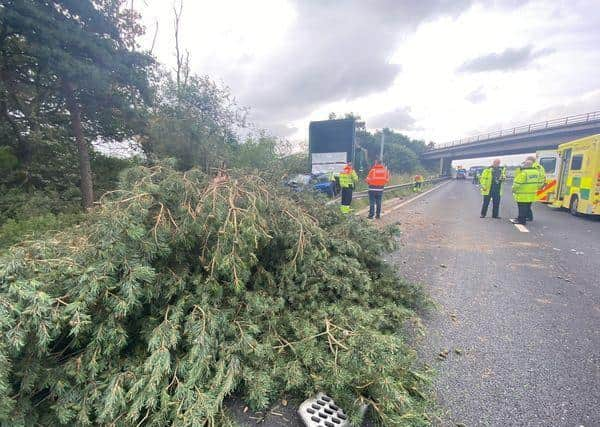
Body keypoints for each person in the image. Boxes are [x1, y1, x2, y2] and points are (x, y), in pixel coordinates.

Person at [511, 158, 543, 225]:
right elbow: (540, 183)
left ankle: (521, 221)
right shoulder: (537, 172)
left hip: (523, 194)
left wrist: (513, 189)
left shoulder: (524, 173)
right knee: (527, 207)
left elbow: (517, 183)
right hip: (532, 193)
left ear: (525, 165)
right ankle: (524, 218)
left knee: (522, 207)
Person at [526, 155, 546, 221]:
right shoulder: (540, 167)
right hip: (535, 186)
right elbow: (543, 177)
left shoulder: (532, 166)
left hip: (530, 186)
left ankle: (528, 217)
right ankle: (528, 216)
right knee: (528, 203)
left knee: (526, 203)